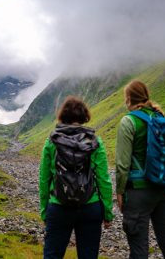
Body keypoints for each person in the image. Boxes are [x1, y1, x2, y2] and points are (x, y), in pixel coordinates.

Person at [40, 96, 114, 259]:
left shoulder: (51, 141)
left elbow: (44, 180)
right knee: (88, 255)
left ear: (63, 116)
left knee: (52, 255)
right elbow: (104, 179)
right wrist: (107, 212)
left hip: (58, 207)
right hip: (90, 206)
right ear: (84, 116)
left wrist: (45, 211)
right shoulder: (95, 141)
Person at [116, 80, 165, 259]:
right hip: (164, 190)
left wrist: (119, 192)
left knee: (139, 250)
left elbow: (122, 164)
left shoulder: (129, 121)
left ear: (129, 99)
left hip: (137, 193)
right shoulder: (160, 117)